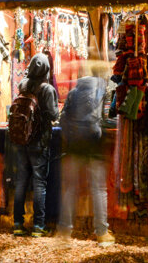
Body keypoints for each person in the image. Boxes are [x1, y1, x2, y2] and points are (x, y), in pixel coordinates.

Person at [56, 60, 115, 245]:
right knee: (98, 189)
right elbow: (109, 117)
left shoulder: (73, 92)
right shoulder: (103, 90)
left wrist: (69, 137)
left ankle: (65, 231)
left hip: (75, 145)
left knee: (70, 189)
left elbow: (63, 118)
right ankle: (102, 233)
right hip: (94, 143)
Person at [12, 53, 59, 237]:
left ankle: (17, 223)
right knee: (40, 183)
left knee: (21, 181)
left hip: (21, 138)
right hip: (39, 141)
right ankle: (39, 226)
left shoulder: (23, 84)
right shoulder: (46, 89)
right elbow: (53, 115)